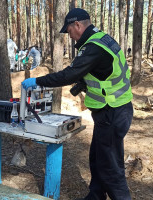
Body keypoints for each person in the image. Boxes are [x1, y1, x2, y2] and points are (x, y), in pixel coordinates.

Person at [22, 8, 133, 200]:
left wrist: (38, 82)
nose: (70, 36)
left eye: (69, 31)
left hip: (112, 112)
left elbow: (69, 74)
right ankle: (95, 196)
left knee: (110, 168)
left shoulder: (94, 47)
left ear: (78, 25)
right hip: (112, 111)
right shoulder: (101, 39)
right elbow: (104, 71)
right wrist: (84, 82)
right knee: (98, 159)